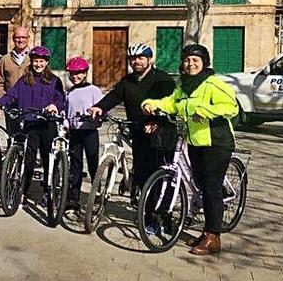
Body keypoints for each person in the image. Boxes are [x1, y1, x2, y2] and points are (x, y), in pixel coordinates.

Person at [141, 44, 238, 256]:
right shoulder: (183, 85)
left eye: (195, 60)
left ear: (204, 63)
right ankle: (206, 232)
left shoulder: (213, 83)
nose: (190, 64)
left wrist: (206, 111)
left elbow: (231, 107)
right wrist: (152, 103)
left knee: (211, 189)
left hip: (217, 142)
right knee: (202, 186)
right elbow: (172, 103)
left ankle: (214, 237)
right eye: (187, 60)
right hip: (195, 141)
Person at [88, 43, 176, 200]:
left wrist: (156, 121)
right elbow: (115, 96)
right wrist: (100, 107)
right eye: (133, 59)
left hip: (161, 134)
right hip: (138, 131)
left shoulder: (163, 79)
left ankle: (162, 215)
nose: (136, 61)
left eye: (141, 58)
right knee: (142, 173)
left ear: (149, 59)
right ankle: (145, 209)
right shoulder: (128, 81)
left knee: (159, 175)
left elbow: (170, 103)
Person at [0, 46, 65, 207]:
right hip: (30, 123)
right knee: (28, 159)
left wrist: (55, 106)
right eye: (35, 61)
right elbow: (11, 95)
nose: (38, 64)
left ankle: (48, 191)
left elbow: (61, 99)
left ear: (46, 63)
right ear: (31, 62)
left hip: (47, 124)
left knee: (48, 159)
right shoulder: (24, 81)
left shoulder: (54, 81)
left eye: (41, 61)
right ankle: (23, 191)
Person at [63, 56, 104, 210]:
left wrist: (99, 116)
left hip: (90, 132)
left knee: (93, 163)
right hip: (75, 132)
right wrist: (65, 122)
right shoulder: (70, 92)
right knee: (75, 165)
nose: (75, 77)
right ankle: (74, 198)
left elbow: (101, 107)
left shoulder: (93, 90)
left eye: (79, 73)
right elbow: (66, 111)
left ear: (86, 73)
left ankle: (97, 193)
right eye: (72, 74)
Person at [0, 26, 31, 98]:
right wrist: (3, 98)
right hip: (10, 103)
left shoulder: (34, 59)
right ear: (13, 39)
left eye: (23, 37)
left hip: (30, 102)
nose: (20, 40)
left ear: (28, 38)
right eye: (18, 37)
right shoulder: (5, 59)